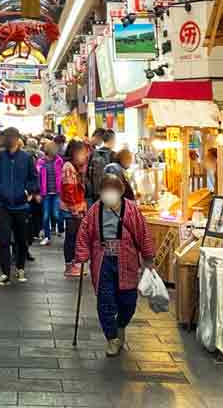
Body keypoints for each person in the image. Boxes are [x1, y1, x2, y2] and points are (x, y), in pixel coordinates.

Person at [74, 168, 156, 356]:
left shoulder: (131, 210)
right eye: (105, 190)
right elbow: (84, 232)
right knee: (105, 300)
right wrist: (82, 254)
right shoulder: (95, 210)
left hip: (126, 259)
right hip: (102, 260)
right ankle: (111, 337)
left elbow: (143, 234)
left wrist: (148, 258)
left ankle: (120, 326)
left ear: (120, 191)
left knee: (128, 300)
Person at [0, 127, 38, 286]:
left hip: (21, 206)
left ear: (16, 138)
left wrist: (26, 191)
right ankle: (5, 273)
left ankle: (20, 267)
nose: (6, 140)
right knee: (3, 240)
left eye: (9, 137)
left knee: (22, 240)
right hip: (2, 205)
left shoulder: (27, 158)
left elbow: (33, 179)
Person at [60, 140, 89, 278]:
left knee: (76, 237)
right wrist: (74, 209)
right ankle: (70, 266)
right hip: (72, 209)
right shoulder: (68, 167)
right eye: (83, 153)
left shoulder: (76, 167)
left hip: (77, 207)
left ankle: (74, 265)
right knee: (71, 237)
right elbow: (68, 190)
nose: (84, 156)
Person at [36, 140, 64, 245]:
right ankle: (47, 236)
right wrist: (38, 192)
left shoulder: (59, 161)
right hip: (45, 192)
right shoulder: (41, 162)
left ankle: (61, 227)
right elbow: (38, 177)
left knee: (56, 214)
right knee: (46, 215)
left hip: (57, 192)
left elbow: (63, 175)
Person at [86, 130, 111, 205]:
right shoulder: (85, 147)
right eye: (102, 140)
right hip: (87, 187)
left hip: (89, 186)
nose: (101, 143)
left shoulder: (93, 149)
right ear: (98, 137)